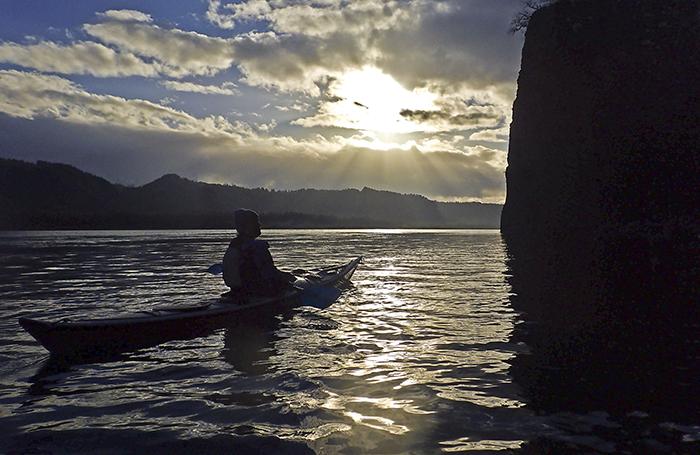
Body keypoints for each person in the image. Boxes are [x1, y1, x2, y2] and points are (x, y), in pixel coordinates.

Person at [222, 209, 296, 299]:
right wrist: (288, 278)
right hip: (256, 291)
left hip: (237, 291)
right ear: (246, 227)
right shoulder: (256, 247)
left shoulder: (234, 246)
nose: (259, 225)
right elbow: (269, 272)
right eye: (256, 223)